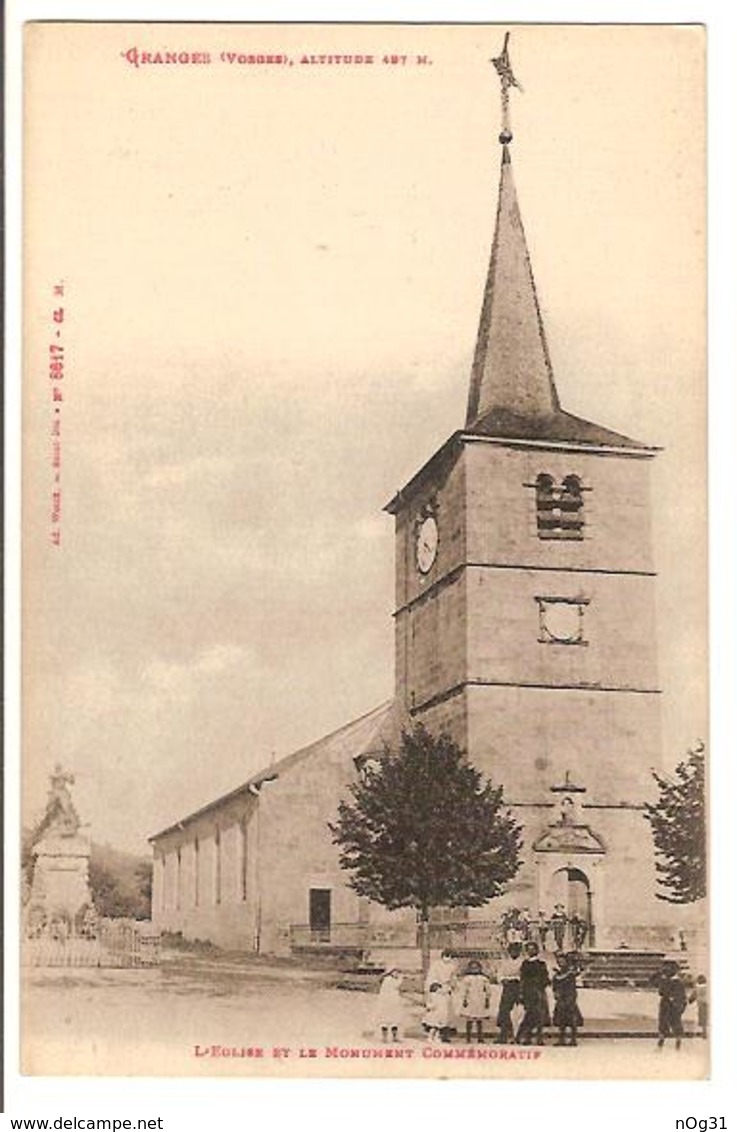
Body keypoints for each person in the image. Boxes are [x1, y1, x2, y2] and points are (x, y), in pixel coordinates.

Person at [516, 942, 551, 1046]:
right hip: (528, 991)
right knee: (529, 1015)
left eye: (533, 949)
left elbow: (545, 977)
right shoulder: (525, 964)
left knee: (540, 1015)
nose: (531, 951)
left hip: (539, 991)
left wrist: (541, 983)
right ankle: (527, 1037)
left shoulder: (541, 964)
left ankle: (539, 1038)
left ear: (537, 950)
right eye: (529, 949)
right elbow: (523, 978)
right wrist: (521, 993)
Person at [654, 959, 688, 1050]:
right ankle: (667, 1044)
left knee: (671, 1023)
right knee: (667, 1023)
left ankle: (668, 1044)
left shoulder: (675, 982)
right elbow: (659, 990)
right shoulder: (674, 981)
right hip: (669, 1004)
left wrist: (679, 1005)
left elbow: (661, 991)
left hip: (671, 1005)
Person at [552, 952, 584, 1046]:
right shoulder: (558, 972)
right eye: (559, 961)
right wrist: (555, 992)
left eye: (562, 961)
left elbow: (574, 979)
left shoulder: (571, 972)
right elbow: (555, 984)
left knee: (571, 1018)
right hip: (561, 997)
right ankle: (561, 1038)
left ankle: (573, 1039)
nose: (561, 963)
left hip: (569, 997)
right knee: (561, 1019)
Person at [458, 960, 493, 1043]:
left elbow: (488, 990)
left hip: (480, 1000)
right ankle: (468, 1037)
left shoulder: (484, 979)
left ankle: (480, 1037)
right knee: (469, 1019)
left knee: (479, 1020)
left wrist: (487, 1000)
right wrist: (464, 999)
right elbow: (464, 990)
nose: (475, 970)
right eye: (472, 968)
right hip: (470, 999)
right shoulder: (467, 979)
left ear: (480, 968)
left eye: (476, 968)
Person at [495, 942, 523, 1044]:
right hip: (508, 987)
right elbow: (499, 973)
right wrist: (502, 980)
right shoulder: (505, 962)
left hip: (519, 986)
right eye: (512, 951)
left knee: (519, 1012)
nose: (514, 953)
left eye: (516, 951)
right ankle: (503, 1034)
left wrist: (519, 980)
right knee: (504, 1010)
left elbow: (524, 975)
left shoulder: (522, 962)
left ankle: (518, 1035)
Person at [375, 968, 404, 1043]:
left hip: (393, 1003)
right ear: (391, 972)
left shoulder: (389, 979)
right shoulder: (388, 980)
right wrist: (401, 978)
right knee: (386, 1020)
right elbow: (397, 985)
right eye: (395, 972)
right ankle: (385, 1037)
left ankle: (394, 1037)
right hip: (387, 1003)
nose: (397, 974)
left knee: (394, 1020)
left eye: (398, 972)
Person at [688, 974, 708, 1040]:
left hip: (702, 1004)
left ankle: (703, 1033)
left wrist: (689, 1001)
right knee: (704, 1019)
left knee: (702, 1019)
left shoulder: (697, 988)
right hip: (706, 1003)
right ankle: (704, 1033)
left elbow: (692, 997)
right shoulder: (707, 987)